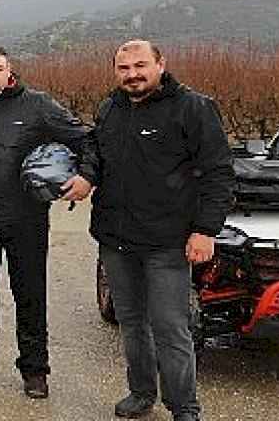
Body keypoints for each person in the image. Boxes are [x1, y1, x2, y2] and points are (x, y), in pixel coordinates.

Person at [92, 40, 233, 421]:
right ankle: (141, 393)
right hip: (116, 241)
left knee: (171, 328)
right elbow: (97, 160)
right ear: (116, 71)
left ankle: (184, 406)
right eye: (124, 68)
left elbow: (219, 174)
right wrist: (81, 177)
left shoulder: (192, 108)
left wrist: (205, 229)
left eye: (141, 65)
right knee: (132, 324)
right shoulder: (110, 109)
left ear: (161, 64)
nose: (133, 74)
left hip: (167, 244)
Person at [0, 44, 98, 399]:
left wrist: (86, 177)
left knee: (29, 297)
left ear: (8, 70)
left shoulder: (38, 106)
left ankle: (34, 370)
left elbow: (86, 137)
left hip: (26, 222)